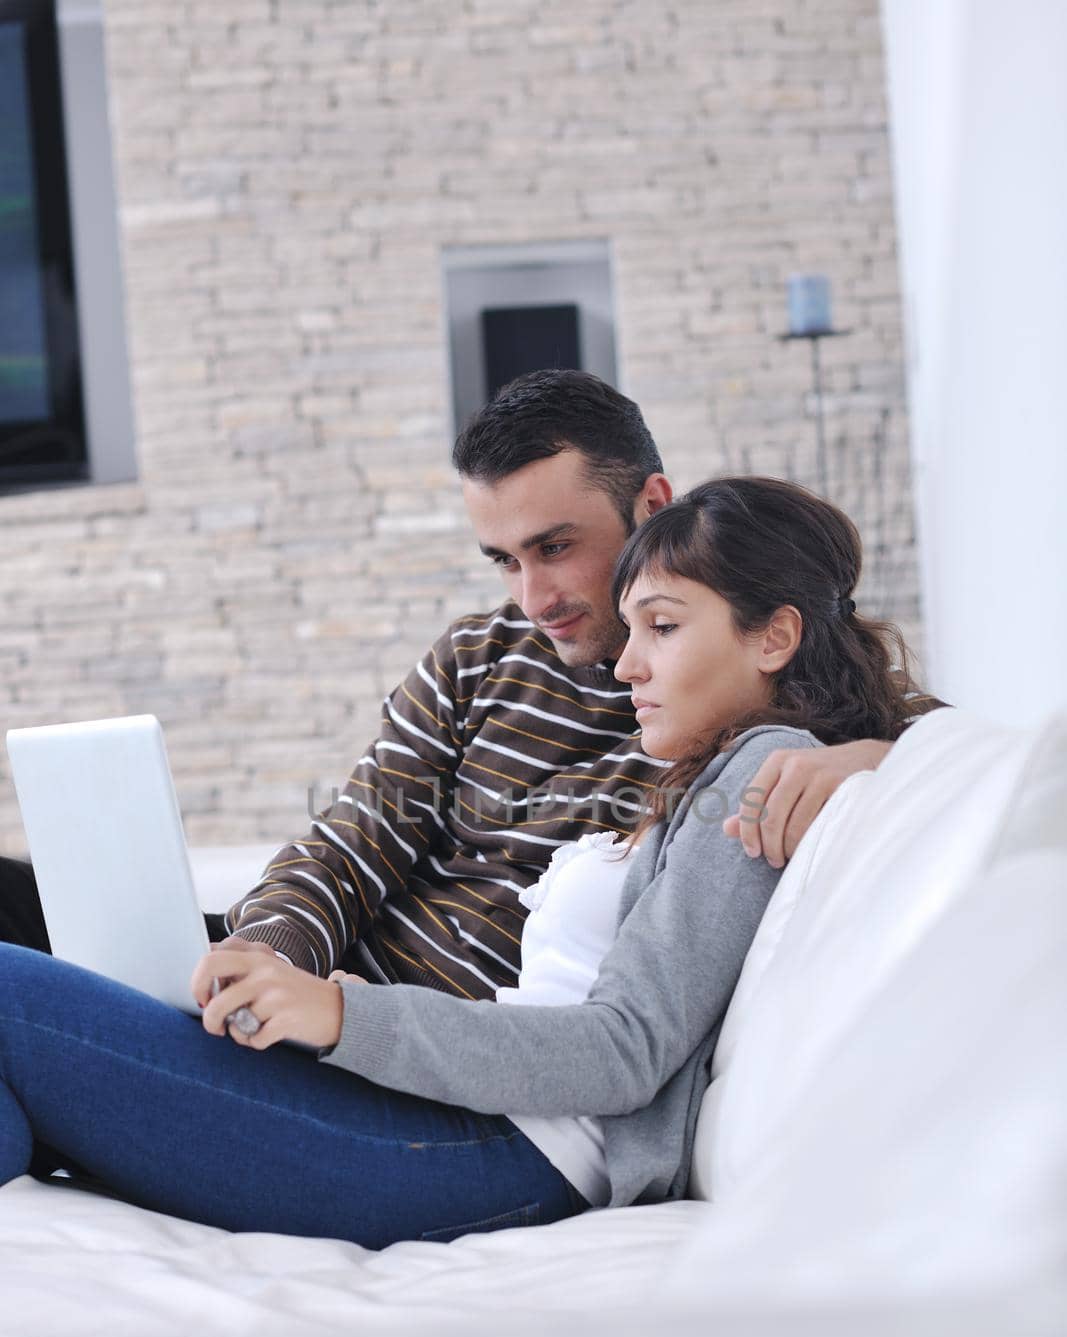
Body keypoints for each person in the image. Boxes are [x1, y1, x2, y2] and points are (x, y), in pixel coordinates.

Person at [0, 476, 927, 1246]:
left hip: (484, 1153)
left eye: (662, 627)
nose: (624, 665)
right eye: (631, 629)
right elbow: (355, 836)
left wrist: (340, 1015)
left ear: (775, 635)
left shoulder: (762, 776)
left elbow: (623, 1051)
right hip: (434, 1106)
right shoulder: (712, 766)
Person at [0, 371, 907, 992]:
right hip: (292, 983)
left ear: (651, 507)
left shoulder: (752, 693)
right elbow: (354, 843)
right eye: (503, 560)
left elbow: (977, 759)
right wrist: (264, 953)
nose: (534, 597)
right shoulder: (481, 655)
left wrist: (870, 760)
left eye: (555, 547)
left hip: (391, 1038)